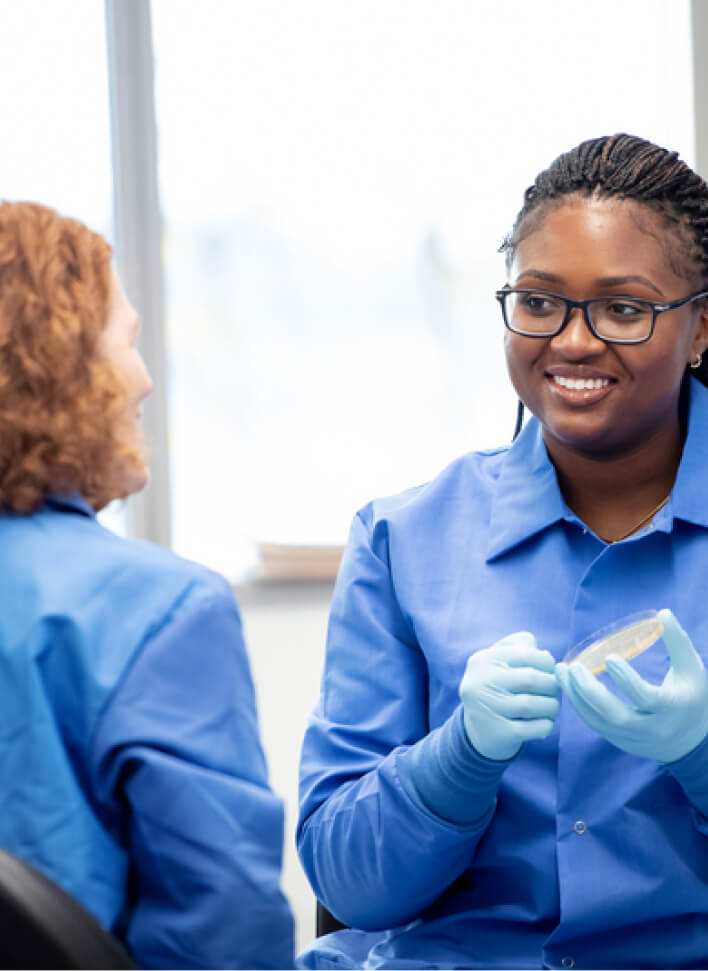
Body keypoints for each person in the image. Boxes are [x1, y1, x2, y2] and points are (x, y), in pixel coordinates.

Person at [296, 134, 708, 970]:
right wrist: (454, 760)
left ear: (700, 328)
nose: (574, 340)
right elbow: (349, 882)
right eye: (539, 301)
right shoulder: (402, 540)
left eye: (624, 308)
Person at [0, 200, 294, 969]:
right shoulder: (158, 610)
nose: (144, 379)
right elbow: (225, 933)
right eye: (126, 342)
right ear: (56, 369)